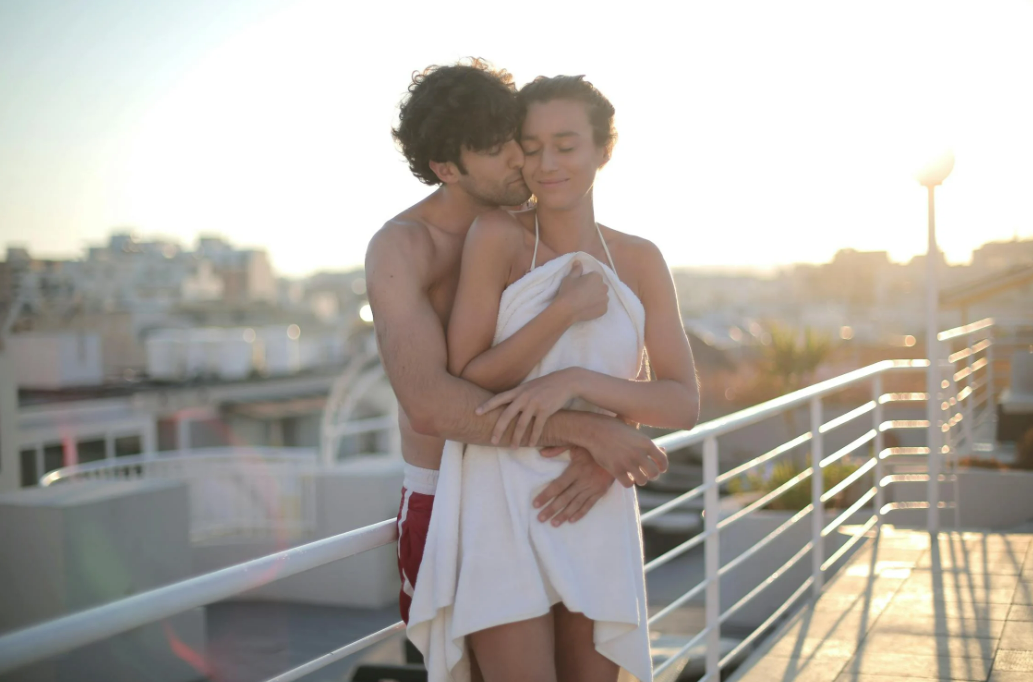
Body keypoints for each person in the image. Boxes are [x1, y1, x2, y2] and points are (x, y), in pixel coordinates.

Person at [407, 75, 699, 682]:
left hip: (592, 495)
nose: (545, 164)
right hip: (497, 498)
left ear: (603, 149)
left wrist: (576, 384)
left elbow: (680, 401)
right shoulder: (498, 236)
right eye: (530, 146)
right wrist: (562, 311)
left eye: (566, 146)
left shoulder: (640, 258)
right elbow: (469, 375)